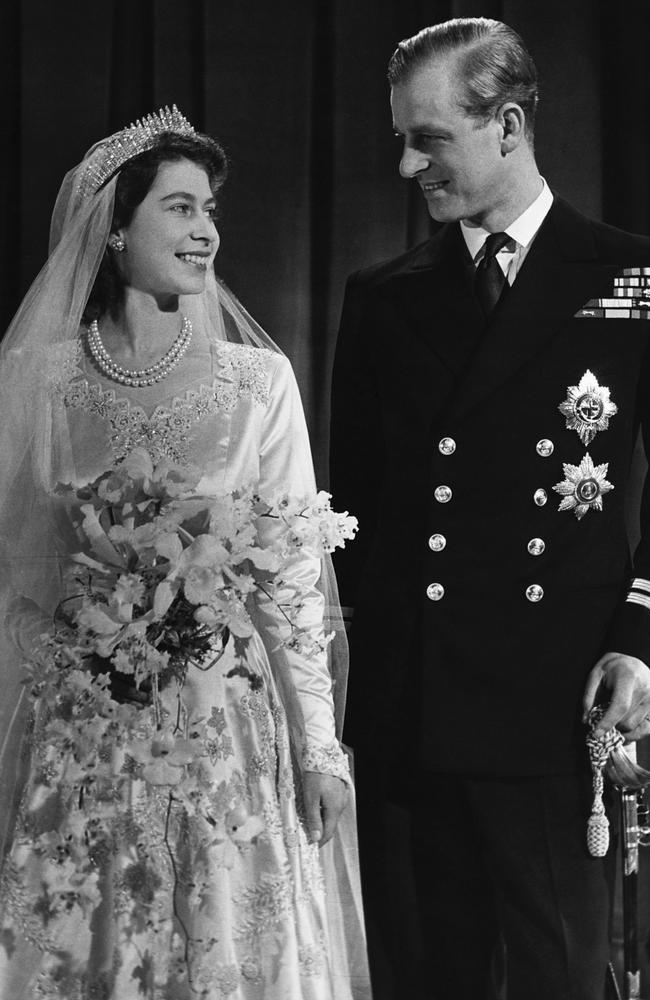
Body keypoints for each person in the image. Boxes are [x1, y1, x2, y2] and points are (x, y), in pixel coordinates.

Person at [0, 107, 370, 999]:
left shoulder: (258, 384)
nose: (205, 230)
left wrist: (320, 751)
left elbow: (290, 582)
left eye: (209, 209)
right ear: (114, 228)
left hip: (223, 730)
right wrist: (65, 668)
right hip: (86, 733)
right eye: (178, 207)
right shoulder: (39, 379)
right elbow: (19, 575)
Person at [330, 16, 650, 1000]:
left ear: (506, 125)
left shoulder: (628, 278)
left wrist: (638, 636)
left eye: (427, 138)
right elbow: (358, 517)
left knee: (559, 975)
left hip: (555, 711)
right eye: (400, 137)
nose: (404, 164)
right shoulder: (383, 297)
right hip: (415, 714)